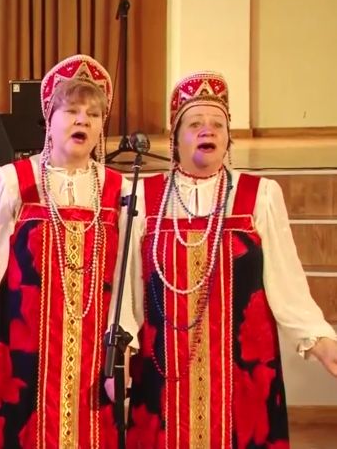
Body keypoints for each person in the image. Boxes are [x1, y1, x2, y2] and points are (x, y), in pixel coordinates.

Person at [125, 71, 337, 448]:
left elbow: (286, 281)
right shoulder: (144, 195)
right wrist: (124, 346)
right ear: (175, 138)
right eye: (195, 123)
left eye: (217, 124)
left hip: (243, 372)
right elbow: (130, 286)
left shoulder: (260, 195)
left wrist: (319, 340)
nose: (207, 130)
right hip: (164, 367)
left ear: (227, 139)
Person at [0, 54, 137, 448]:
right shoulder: (13, 181)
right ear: (49, 120)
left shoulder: (118, 190)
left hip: (93, 353)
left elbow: (126, 280)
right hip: (22, 349)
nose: (82, 121)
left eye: (93, 114)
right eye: (71, 111)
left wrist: (122, 351)